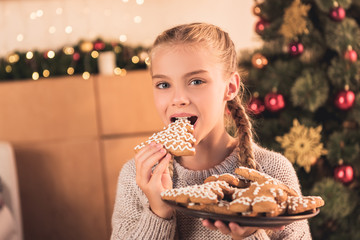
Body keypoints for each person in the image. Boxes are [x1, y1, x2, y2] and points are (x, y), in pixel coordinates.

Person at [111, 23, 311, 239]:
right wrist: (159, 212)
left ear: (230, 87)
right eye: (163, 84)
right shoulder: (137, 176)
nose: (178, 99)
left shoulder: (273, 171)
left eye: (196, 81)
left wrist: (251, 233)